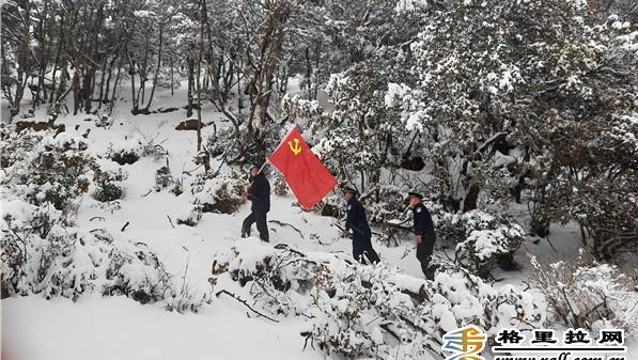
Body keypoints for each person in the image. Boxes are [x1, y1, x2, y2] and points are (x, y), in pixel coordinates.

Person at [342, 186, 380, 264]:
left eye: (346, 193)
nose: (345, 196)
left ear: (350, 194)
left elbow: (350, 217)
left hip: (360, 231)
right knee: (367, 249)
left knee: (357, 251)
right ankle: (378, 265)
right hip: (363, 231)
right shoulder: (356, 203)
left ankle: (361, 267)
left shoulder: (352, 203)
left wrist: (346, 229)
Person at [407, 192, 437, 280]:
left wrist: (418, 234)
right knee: (424, 255)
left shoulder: (419, 208)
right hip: (427, 236)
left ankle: (433, 272)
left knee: (421, 255)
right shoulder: (418, 208)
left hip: (426, 236)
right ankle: (431, 276)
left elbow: (420, 222)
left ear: (417, 199)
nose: (410, 200)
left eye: (411, 198)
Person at [241, 164, 270, 242]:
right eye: (251, 170)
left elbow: (254, 192)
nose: (252, 171)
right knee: (247, 222)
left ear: (259, 170)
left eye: (254, 169)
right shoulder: (257, 180)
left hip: (261, 207)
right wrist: (248, 194)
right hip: (257, 207)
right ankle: (245, 239)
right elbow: (256, 194)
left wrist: (248, 192)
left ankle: (265, 241)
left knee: (261, 226)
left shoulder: (261, 179)